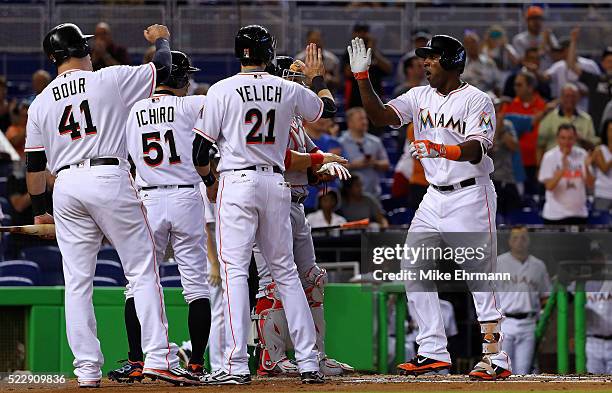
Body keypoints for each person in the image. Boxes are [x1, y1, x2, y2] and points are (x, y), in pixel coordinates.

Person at [24, 23, 196, 387]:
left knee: (77, 283)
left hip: (66, 186)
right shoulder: (108, 78)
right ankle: (158, 357)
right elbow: (163, 70)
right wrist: (161, 40)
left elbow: (35, 164)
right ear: (78, 51)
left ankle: (86, 370)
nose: (89, 51)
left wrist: (40, 208)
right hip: (107, 175)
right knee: (141, 268)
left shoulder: (39, 103)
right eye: (84, 47)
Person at [347, 34, 511, 379]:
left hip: (470, 194)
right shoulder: (418, 96)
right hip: (434, 195)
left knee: (478, 275)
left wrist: (441, 150)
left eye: (433, 57)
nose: (425, 62)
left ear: (452, 61)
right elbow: (381, 117)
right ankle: (433, 351)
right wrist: (362, 79)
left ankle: (495, 358)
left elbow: (478, 148)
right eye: (425, 57)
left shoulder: (477, 99)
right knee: (413, 268)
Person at [195, 25, 343, 385]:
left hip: (237, 181)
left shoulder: (220, 89)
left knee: (234, 273)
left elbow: (200, 151)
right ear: (268, 52)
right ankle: (309, 362)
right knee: (286, 273)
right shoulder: (287, 87)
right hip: (276, 181)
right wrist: (317, 77)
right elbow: (327, 108)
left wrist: (211, 183)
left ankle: (236, 365)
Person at [108, 51, 212, 382]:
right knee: (196, 285)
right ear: (181, 79)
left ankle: (138, 361)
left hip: (148, 197)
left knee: (138, 282)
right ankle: (195, 364)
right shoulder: (194, 104)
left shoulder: (131, 109)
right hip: (185, 195)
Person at [252, 55, 352, 378]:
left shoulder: (293, 119)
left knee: (313, 279)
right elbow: (282, 158)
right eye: (294, 78)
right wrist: (319, 160)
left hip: (297, 204)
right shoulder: (273, 117)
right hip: (272, 202)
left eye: (300, 79)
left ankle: (317, 355)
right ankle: (271, 357)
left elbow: (306, 162)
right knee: (272, 284)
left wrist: (320, 170)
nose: (299, 85)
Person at [496, 227, 551, 375]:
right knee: (504, 369)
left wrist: (542, 320)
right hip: (505, 322)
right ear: (509, 241)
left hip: (529, 323)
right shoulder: (498, 263)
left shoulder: (538, 265)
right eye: (515, 238)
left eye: (523, 238)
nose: (519, 242)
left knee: (524, 370)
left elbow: (545, 296)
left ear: (529, 241)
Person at [501, 71, 547, 195]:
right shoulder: (508, 106)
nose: (515, 88)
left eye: (519, 85)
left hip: (537, 162)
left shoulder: (544, 106)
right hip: (516, 164)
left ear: (530, 87)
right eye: (515, 85)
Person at [538, 123, 593, 225]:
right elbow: (549, 186)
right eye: (563, 138)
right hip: (555, 215)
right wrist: (563, 170)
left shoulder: (582, 154)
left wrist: (586, 167)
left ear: (575, 139)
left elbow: (590, 184)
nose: (566, 142)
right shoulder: (549, 157)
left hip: (579, 214)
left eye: (570, 138)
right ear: (557, 139)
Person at [537, 83, 598, 162]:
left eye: (573, 96)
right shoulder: (549, 117)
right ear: (561, 98)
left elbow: (593, 147)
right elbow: (540, 145)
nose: (570, 99)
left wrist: (580, 139)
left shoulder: (586, 119)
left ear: (578, 98)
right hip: (553, 162)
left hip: (578, 163)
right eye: (567, 96)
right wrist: (539, 167)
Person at [567, 28, 612, 131]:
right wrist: (573, 41)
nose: (611, 65)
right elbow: (571, 65)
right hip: (596, 127)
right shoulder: (594, 79)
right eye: (609, 61)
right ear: (603, 63)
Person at [339, 107, 390, 197]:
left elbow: (386, 165)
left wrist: (374, 163)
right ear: (350, 123)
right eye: (360, 119)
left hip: (373, 193)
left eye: (365, 118)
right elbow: (335, 168)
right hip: (349, 196)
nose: (365, 122)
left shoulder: (375, 141)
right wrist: (354, 165)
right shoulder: (340, 142)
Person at [342, 23, 392, 109]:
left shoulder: (375, 52)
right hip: (356, 97)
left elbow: (389, 69)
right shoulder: (350, 52)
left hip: (375, 96)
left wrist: (373, 51)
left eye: (364, 32)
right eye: (358, 32)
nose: (361, 35)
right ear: (353, 34)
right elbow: (347, 73)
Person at [544, 37, 600, 110]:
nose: (559, 54)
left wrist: (583, 93)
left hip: (585, 108)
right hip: (562, 109)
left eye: (561, 51)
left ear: (570, 50)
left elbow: (599, 86)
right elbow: (545, 77)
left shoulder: (589, 64)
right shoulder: (558, 65)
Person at [491, 96, 521, 215]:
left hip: (506, 178)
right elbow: (488, 149)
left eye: (496, 107)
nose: (495, 110)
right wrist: (496, 129)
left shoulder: (507, 124)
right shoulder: (480, 125)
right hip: (487, 180)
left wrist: (502, 128)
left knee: (512, 218)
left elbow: (514, 147)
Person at [511, 6, 558, 70]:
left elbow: (558, 57)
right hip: (529, 73)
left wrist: (550, 42)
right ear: (527, 21)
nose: (537, 22)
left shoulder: (549, 36)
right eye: (534, 19)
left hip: (549, 72)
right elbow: (522, 60)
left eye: (539, 19)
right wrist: (544, 43)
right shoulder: (519, 39)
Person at [592, 119, 612, 210]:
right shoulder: (599, 150)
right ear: (606, 132)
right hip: (603, 194)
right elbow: (604, 169)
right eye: (611, 130)